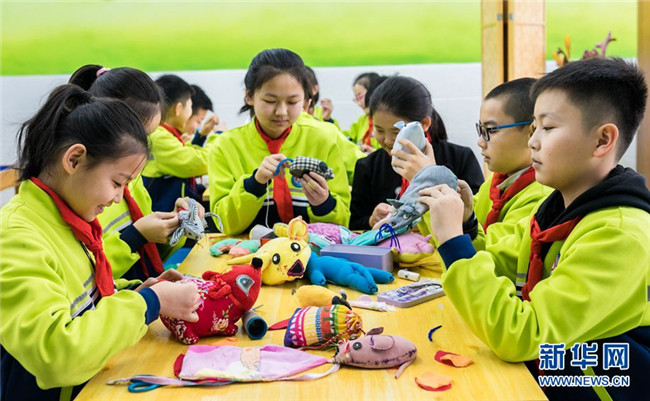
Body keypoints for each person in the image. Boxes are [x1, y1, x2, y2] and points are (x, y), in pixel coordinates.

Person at [422, 58, 650, 400]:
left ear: (602, 140)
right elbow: (500, 266)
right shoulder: (559, 210)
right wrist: (467, 227)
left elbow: (524, 335)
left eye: (548, 128)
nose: (533, 143)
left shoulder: (618, 235)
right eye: (533, 129)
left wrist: (454, 243)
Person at [0, 84, 200, 401]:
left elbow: (84, 301)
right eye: (117, 183)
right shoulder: (16, 235)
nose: (119, 198)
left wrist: (137, 291)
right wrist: (149, 302)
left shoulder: (68, 216)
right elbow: (56, 355)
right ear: (74, 159)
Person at [68, 65, 204, 280]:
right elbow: (86, 278)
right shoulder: (84, 196)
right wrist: (136, 236)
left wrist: (175, 224)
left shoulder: (132, 183)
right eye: (141, 137)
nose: (145, 150)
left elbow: (150, 253)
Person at [208, 48, 351, 235]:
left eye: (292, 102)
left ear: (306, 102)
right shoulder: (225, 146)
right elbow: (223, 223)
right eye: (270, 101)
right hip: (247, 251)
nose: (281, 112)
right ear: (249, 95)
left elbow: (342, 225)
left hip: (310, 250)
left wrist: (324, 204)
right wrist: (255, 183)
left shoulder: (323, 141)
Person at [350, 75, 483, 230]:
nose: (387, 140)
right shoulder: (368, 166)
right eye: (379, 130)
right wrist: (371, 220)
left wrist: (428, 176)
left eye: (396, 132)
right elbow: (353, 224)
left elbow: (476, 221)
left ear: (424, 123)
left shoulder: (460, 158)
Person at [142, 75, 208, 213]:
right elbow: (198, 163)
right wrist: (218, 139)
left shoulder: (166, 134)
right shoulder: (159, 137)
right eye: (190, 106)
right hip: (166, 215)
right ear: (178, 108)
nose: (190, 112)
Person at [343, 72, 381, 152]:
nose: (359, 104)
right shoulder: (362, 120)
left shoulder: (386, 121)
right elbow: (344, 138)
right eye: (356, 99)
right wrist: (328, 120)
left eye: (360, 97)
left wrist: (375, 154)